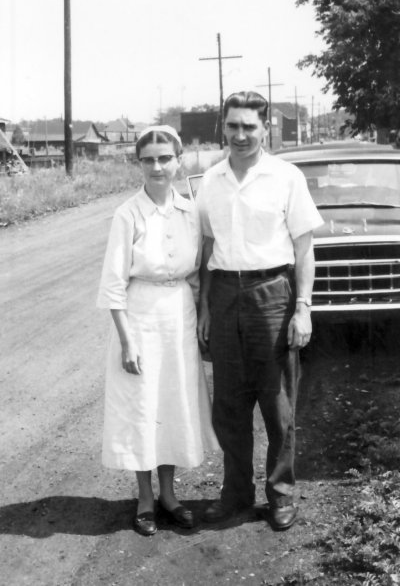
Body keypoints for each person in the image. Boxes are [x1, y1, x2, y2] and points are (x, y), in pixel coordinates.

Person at [196, 91, 324, 531]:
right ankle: (235, 495)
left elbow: (305, 249)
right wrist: (205, 309)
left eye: (249, 126)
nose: (240, 135)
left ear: (265, 128)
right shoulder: (209, 180)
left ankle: (281, 494)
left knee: (278, 402)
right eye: (232, 126)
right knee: (228, 405)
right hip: (225, 295)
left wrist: (302, 308)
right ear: (223, 128)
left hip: (273, 292)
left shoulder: (286, 177)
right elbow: (208, 248)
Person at [97, 125, 218, 537]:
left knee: (171, 405)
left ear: (179, 160)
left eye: (165, 157)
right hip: (141, 317)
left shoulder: (190, 210)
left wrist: (202, 312)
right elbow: (113, 285)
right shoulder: (127, 214)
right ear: (139, 164)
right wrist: (127, 340)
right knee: (142, 407)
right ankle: (145, 498)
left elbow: (200, 270)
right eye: (148, 159)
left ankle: (169, 494)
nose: (157, 166)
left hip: (179, 316)